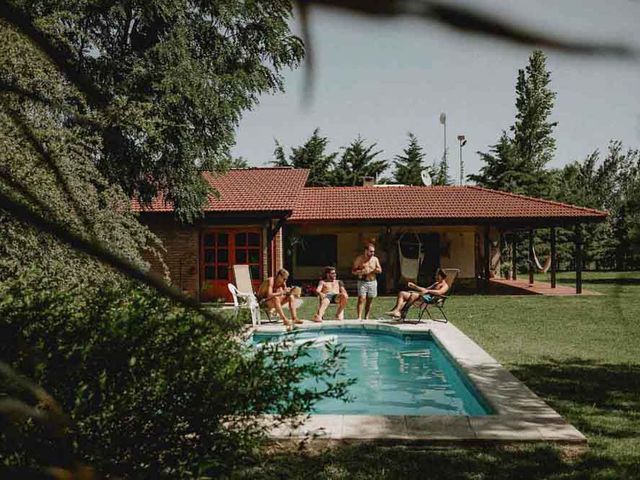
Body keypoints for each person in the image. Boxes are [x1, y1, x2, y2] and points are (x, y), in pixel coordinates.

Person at [351, 243, 382, 320]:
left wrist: (372, 270)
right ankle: (359, 317)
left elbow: (380, 270)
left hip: (372, 281)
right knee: (361, 299)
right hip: (362, 282)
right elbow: (353, 271)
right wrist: (361, 271)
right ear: (366, 251)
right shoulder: (359, 259)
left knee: (369, 300)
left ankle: (366, 317)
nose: (372, 253)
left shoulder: (375, 259)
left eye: (373, 251)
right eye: (371, 251)